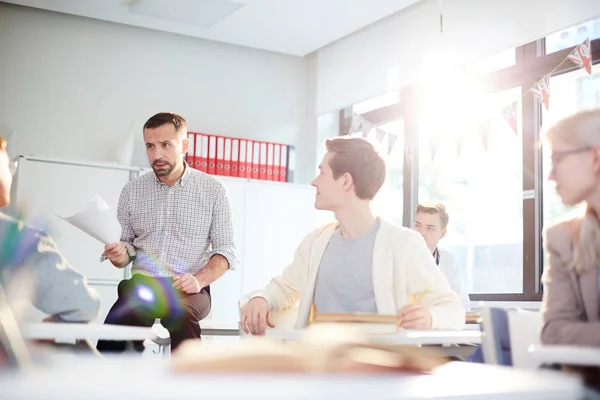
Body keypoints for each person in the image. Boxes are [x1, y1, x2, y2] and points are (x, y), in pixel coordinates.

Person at [241, 137, 464, 336]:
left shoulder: (403, 244)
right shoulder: (315, 242)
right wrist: (261, 297)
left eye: (322, 172)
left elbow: (452, 309)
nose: (314, 181)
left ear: (345, 181)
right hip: (318, 371)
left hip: (383, 373)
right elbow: (285, 288)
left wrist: (429, 318)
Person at [97, 112, 238, 353]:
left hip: (188, 287)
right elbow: (126, 251)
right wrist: (118, 254)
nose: (157, 155)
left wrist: (199, 281)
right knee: (120, 324)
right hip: (144, 285)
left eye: (165, 145)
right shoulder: (132, 191)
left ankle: (186, 386)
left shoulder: (214, 191)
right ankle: (112, 385)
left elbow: (226, 251)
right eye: (150, 146)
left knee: (181, 316)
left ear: (184, 146)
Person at [0, 136, 100, 323]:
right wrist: (49, 328)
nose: (11, 174)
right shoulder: (13, 237)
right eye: (8, 167)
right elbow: (84, 305)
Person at [541, 109, 600, 390]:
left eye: (557, 160)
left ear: (596, 157)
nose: (551, 175)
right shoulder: (561, 238)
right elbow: (553, 332)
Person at [413, 202, 471, 311]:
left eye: (430, 228)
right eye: (417, 225)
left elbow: (463, 306)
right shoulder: (398, 256)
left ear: (442, 234)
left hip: (440, 325)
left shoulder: (449, 259)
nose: (421, 232)